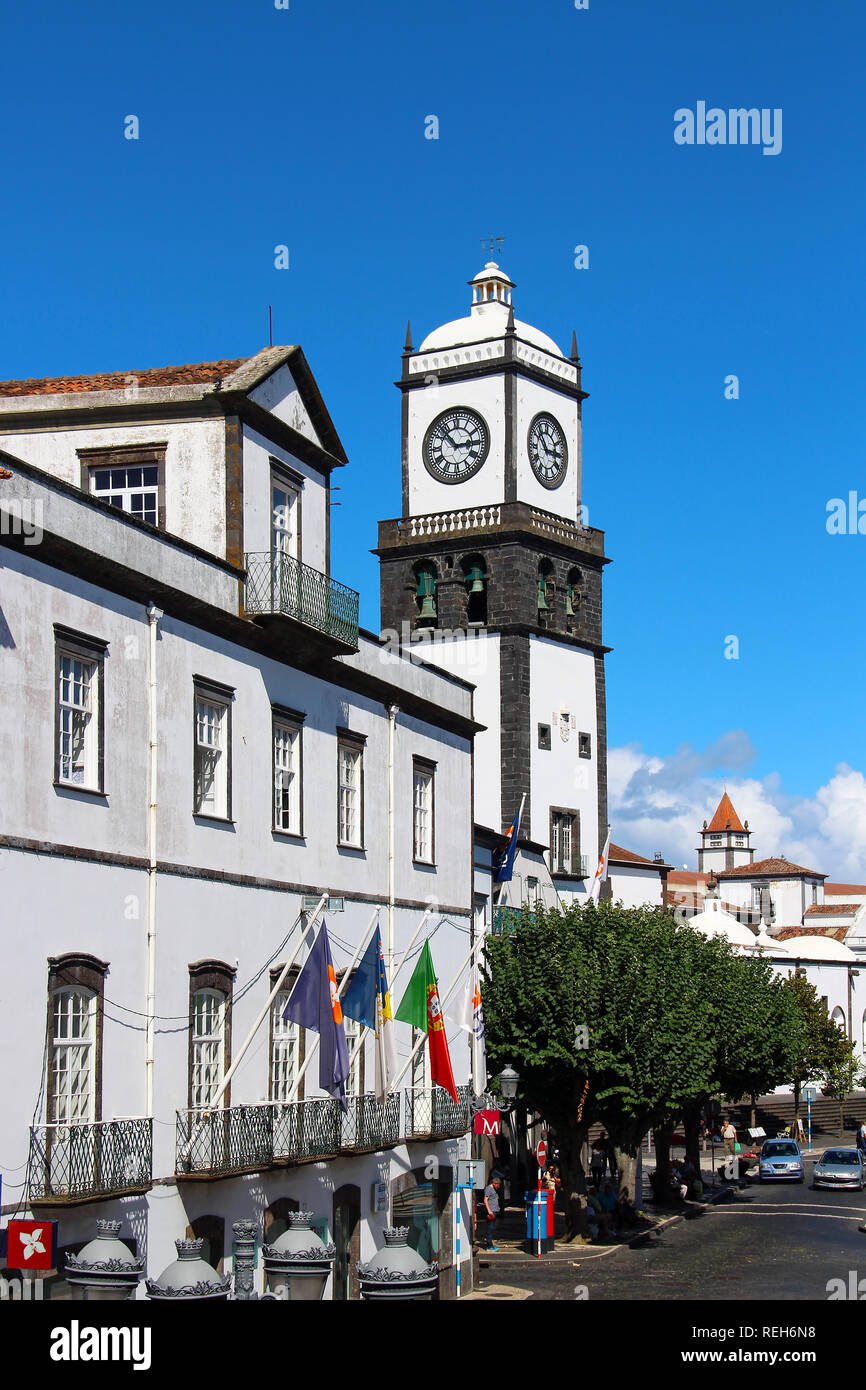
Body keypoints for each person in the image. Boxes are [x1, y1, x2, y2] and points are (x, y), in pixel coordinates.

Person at [483, 1175, 502, 1251]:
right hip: (491, 1212)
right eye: (498, 1185)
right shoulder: (489, 1189)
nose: (499, 1186)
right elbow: (485, 1200)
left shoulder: (493, 1190)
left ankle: (489, 1244)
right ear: (494, 1183)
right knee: (490, 1228)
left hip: (494, 1210)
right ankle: (489, 1245)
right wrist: (489, 1211)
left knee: (492, 1227)